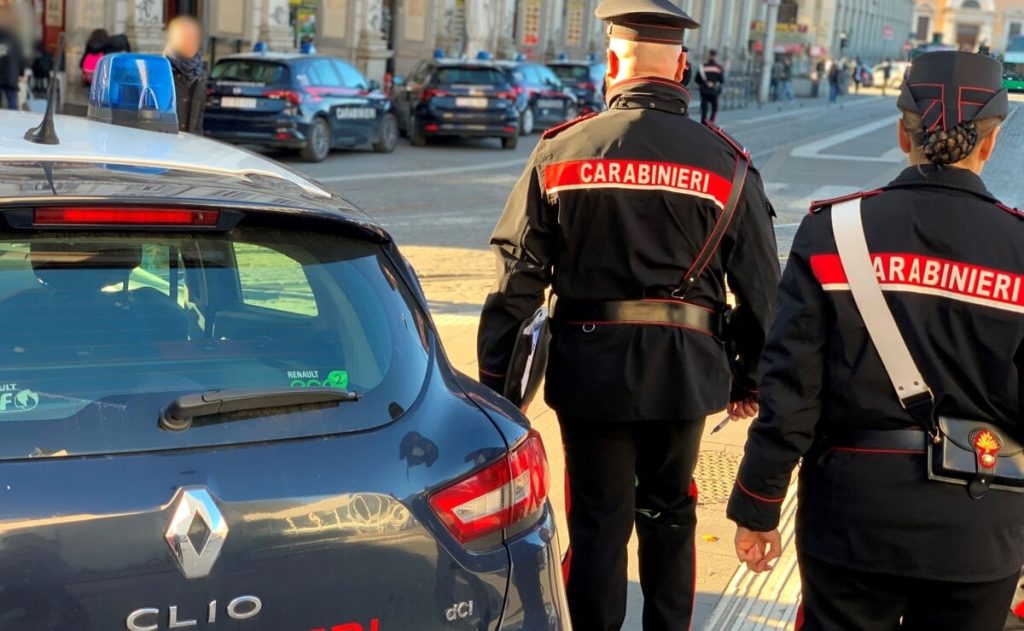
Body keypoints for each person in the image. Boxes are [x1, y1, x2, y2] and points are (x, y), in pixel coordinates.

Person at [476, 0, 781, 627]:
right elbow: (762, 290)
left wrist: (498, 391)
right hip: (685, 373)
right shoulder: (727, 162)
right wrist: (749, 379)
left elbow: (516, 281)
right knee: (671, 514)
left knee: (597, 520)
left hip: (589, 371)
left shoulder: (562, 151)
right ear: (682, 68)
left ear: (612, 64)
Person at [727, 51, 1021, 630]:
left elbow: (790, 388)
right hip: (982, 520)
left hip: (852, 513)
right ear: (990, 144)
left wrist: (759, 503)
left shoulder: (834, 233)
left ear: (902, 134)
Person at [164, 16, 207, 133]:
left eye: (194, 38)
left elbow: (198, 121)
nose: (191, 42)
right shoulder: (163, 71)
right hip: (166, 142)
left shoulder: (200, 74)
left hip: (189, 142)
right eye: (186, 38)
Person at [0, 9, 24, 110]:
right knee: (12, 102)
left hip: (4, 72)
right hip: (11, 73)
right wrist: (21, 73)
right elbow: (20, 57)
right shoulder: (15, 38)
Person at [695, 48, 724, 123]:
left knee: (704, 108)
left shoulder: (702, 67)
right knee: (714, 107)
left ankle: (703, 123)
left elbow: (697, 79)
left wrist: (704, 83)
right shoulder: (719, 68)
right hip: (714, 91)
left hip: (704, 90)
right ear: (716, 56)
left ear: (709, 56)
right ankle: (711, 123)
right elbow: (721, 80)